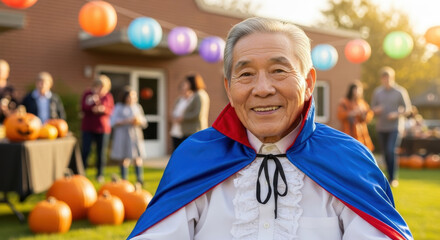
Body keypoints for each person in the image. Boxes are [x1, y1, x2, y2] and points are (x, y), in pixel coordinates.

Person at [128, 17, 412, 240]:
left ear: (309, 82)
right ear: (229, 88)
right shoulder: (195, 157)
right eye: (246, 74)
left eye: (279, 70)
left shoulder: (348, 159)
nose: (262, 89)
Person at [371, 66, 412, 187]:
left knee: (390, 150)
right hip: (381, 127)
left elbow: (408, 109)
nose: (386, 81)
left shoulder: (400, 91)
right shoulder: (377, 92)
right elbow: (372, 109)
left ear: (392, 78)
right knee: (385, 153)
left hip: (395, 127)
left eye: (388, 78)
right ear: (381, 80)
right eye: (384, 79)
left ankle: (393, 178)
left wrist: (396, 114)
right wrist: (376, 110)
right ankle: (388, 178)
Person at [80, 75, 114, 183]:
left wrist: (103, 109)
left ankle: (100, 174)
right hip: (88, 127)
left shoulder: (108, 96)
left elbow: (111, 110)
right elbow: (83, 107)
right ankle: (81, 173)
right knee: (85, 150)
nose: (100, 89)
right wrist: (92, 107)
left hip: (102, 128)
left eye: (102, 87)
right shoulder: (88, 94)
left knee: (101, 153)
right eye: (98, 86)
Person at [110, 86, 147, 185]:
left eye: (134, 96)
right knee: (124, 158)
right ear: (125, 97)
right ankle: (124, 180)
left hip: (135, 135)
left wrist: (138, 121)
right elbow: (112, 122)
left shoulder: (137, 107)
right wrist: (126, 121)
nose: (132, 99)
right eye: (130, 96)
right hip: (122, 135)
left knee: (137, 157)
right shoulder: (118, 107)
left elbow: (144, 122)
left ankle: (139, 179)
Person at [169, 73, 210, 150]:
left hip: (195, 130)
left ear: (192, 82)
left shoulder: (200, 95)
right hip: (187, 131)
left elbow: (198, 113)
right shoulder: (193, 95)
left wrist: (182, 118)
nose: (186, 84)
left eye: (187, 82)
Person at [337, 80, 374, 151]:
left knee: (362, 151)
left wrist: (363, 114)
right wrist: (352, 113)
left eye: (359, 90)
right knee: (348, 151)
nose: (357, 92)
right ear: (351, 90)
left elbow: (368, 117)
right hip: (348, 131)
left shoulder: (362, 103)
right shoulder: (344, 102)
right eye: (356, 90)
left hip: (361, 133)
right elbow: (339, 115)